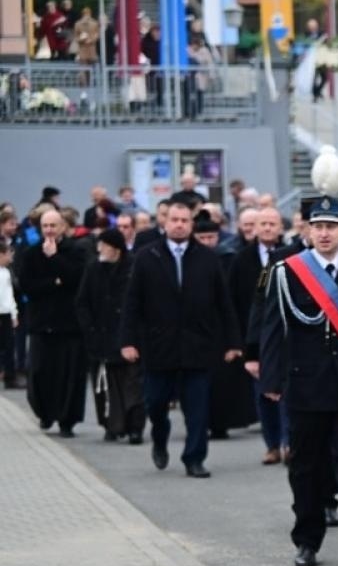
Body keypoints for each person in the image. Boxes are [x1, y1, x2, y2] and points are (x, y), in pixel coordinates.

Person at [257, 196, 338, 566]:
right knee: (306, 469)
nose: (324, 233)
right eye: (318, 226)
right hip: (305, 388)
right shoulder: (287, 271)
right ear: (307, 230)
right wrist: (272, 378)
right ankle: (307, 540)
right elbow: (273, 327)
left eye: (332, 226)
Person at [119, 201, 241, 477]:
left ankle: (194, 458)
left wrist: (234, 342)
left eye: (184, 220)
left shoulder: (207, 258)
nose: (179, 225)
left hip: (197, 346)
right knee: (156, 403)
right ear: (164, 222)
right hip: (158, 346)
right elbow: (132, 303)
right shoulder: (147, 256)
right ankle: (160, 438)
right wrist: (128, 341)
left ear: (191, 224)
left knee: (198, 409)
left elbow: (224, 304)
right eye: (174, 219)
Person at [15, 209, 88, 435]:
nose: (49, 230)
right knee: (39, 373)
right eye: (45, 226)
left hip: (69, 325)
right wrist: (54, 283)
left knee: (70, 376)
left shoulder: (74, 251)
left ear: (63, 227)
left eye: (53, 226)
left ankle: (67, 420)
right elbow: (27, 285)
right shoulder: (30, 254)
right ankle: (45, 413)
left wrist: (55, 259)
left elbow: (76, 279)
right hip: (41, 323)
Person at [75, 228, 144, 442]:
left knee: (133, 385)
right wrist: (90, 329)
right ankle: (111, 425)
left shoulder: (133, 269)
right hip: (101, 337)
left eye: (103, 245)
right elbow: (82, 302)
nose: (99, 249)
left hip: (130, 337)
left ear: (115, 249)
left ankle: (135, 427)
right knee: (105, 387)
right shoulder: (93, 269)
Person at [195, 210, 256, 439]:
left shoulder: (228, 257)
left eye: (210, 237)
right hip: (197, 328)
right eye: (202, 239)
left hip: (221, 328)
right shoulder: (189, 260)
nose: (207, 242)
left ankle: (220, 422)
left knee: (222, 381)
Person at [241, 206, 289, 462]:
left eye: (273, 223)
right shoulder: (242, 258)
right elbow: (253, 307)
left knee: (287, 395)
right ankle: (271, 444)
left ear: (281, 227)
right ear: (255, 228)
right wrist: (249, 350)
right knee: (265, 393)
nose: (268, 228)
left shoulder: (291, 255)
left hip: (288, 338)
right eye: (264, 223)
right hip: (260, 338)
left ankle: (287, 443)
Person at [0, 235, 18, 389]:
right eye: (8, 254)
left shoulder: (6, 272)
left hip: (6, 314)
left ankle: (10, 377)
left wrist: (14, 313)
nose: (10, 257)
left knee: (9, 347)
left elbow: (9, 295)